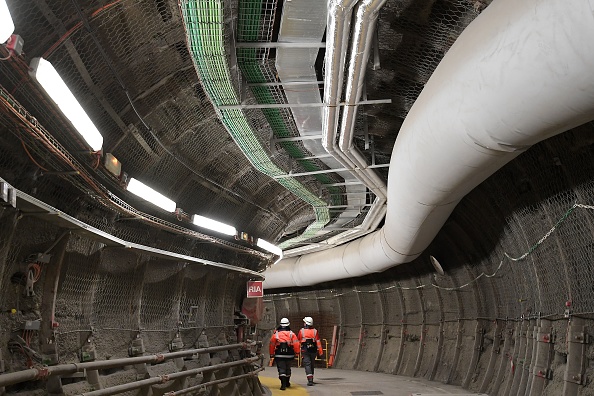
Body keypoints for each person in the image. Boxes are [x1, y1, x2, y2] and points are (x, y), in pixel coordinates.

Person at [269, 317, 300, 390]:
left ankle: (283, 384)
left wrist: (271, 353)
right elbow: (296, 344)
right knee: (288, 368)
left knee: (281, 369)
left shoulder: (276, 334)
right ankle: (287, 382)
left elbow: (271, 345)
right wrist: (297, 352)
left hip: (279, 354)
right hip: (289, 354)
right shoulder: (291, 334)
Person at [297, 316, 323, 386]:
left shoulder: (301, 331)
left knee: (307, 364)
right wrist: (321, 351)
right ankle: (311, 378)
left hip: (305, 350)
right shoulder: (315, 331)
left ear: (306, 323)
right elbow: (318, 341)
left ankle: (310, 380)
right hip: (313, 350)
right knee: (312, 364)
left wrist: (297, 351)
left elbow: (298, 340)